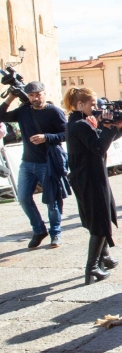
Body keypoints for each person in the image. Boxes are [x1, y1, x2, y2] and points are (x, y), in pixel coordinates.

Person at [63, 87, 122, 284]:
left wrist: (116, 128)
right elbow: (98, 148)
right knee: (99, 220)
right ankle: (91, 269)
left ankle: (102, 258)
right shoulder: (79, 124)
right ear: (80, 104)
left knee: (103, 213)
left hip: (90, 176)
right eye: (92, 104)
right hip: (89, 178)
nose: (96, 107)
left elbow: (99, 142)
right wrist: (108, 128)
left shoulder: (78, 122)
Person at [0, 81, 67, 249]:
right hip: (28, 162)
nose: (35, 98)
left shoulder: (54, 112)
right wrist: (10, 97)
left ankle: (55, 233)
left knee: (52, 200)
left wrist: (47, 137)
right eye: (31, 95)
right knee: (23, 197)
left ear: (45, 93)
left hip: (48, 162)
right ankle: (39, 230)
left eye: (38, 94)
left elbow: (66, 134)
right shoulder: (24, 111)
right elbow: (1, 116)